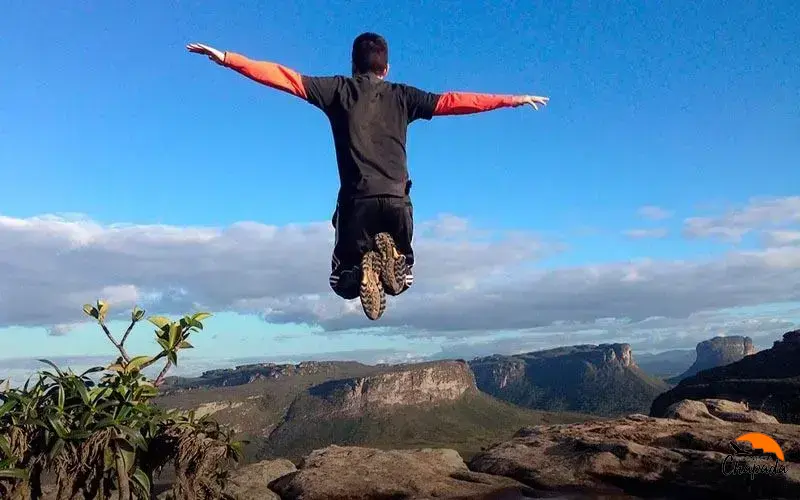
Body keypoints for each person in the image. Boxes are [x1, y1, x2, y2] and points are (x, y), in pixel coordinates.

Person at [187, 33, 548, 321]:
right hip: (397, 203)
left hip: (356, 205)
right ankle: (394, 256)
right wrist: (509, 99)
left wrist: (227, 58)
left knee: (341, 284)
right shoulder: (404, 96)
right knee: (402, 280)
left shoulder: (337, 91)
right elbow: (455, 100)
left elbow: (284, 77)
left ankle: (359, 267)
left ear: (353, 65)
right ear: (386, 68)